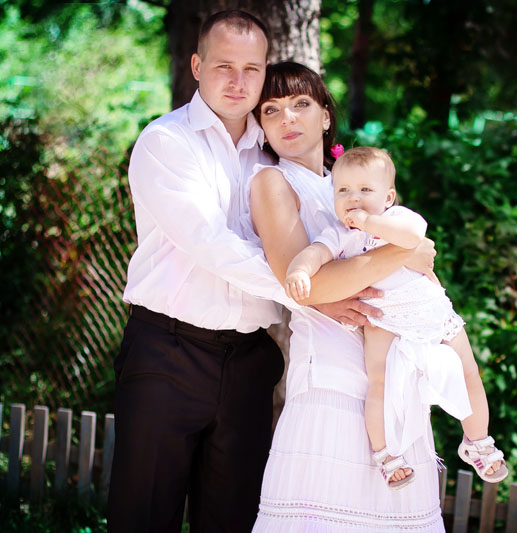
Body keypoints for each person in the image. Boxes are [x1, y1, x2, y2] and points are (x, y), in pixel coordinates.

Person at [108, 11, 372, 532]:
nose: (238, 81)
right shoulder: (167, 141)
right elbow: (212, 245)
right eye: (223, 66)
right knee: (144, 513)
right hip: (168, 352)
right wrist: (312, 293)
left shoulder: (275, 151)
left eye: (251, 69)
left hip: (251, 359)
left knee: (235, 519)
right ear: (196, 66)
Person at [245, 62, 442, 532]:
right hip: (329, 377)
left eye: (301, 103)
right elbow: (309, 284)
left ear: (326, 115)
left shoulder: (350, 181)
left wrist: (407, 252)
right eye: (271, 110)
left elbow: (418, 261)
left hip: (393, 373)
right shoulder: (272, 181)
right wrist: (402, 251)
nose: (287, 118)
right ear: (262, 127)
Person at [283, 146, 508, 489]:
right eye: (343, 190)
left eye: (365, 189)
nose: (354, 198)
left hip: (429, 309)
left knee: (467, 372)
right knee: (380, 385)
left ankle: (477, 441)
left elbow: (413, 237)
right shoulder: (340, 234)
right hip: (382, 320)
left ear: (388, 197)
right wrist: (299, 270)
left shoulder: (398, 217)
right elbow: (315, 252)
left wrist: (369, 222)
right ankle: (386, 455)